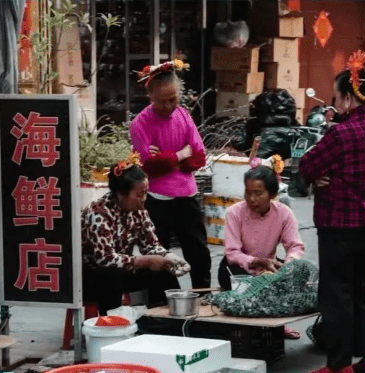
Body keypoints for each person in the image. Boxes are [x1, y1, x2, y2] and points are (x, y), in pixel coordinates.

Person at [299, 51, 365, 373]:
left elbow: (308, 164)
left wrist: (323, 177)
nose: (335, 104)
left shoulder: (340, 134)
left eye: (337, 97)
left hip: (339, 224)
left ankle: (339, 366)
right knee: (362, 289)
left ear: (349, 97)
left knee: (337, 296)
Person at [129, 60, 212, 289]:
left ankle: (203, 292)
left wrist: (166, 158)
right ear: (151, 98)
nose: (168, 106)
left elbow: (198, 157)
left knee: (198, 250)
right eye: (162, 101)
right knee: (159, 251)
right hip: (156, 196)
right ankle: (162, 300)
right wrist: (178, 155)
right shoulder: (140, 124)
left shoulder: (184, 116)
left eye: (173, 99)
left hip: (187, 193)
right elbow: (147, 165)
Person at [81, 154, 191, 315]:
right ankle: (112, 324)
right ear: (120, 194)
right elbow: (105, 259)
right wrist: (144, 261)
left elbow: (150, 245)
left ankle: (171, 319)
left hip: (124, 271)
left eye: (146, 193)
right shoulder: (98, 213)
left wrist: (168, 257)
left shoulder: (139, 211)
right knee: (111, 275)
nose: (144, 199)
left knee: (164, 270)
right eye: (139, 195)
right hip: (93, 277)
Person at [217, 161, 305, 339]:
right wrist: (255, 261)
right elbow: (232, 253)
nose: (251, 199)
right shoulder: (235, 212)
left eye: (258, 193)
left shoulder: (284, 213)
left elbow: (295, 246)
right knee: (248, 292)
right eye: (248, 193)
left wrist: (288, 265)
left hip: (268, 268)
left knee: (288, 278)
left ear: (271, 194)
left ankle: (278, 325)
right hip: (237, 268)